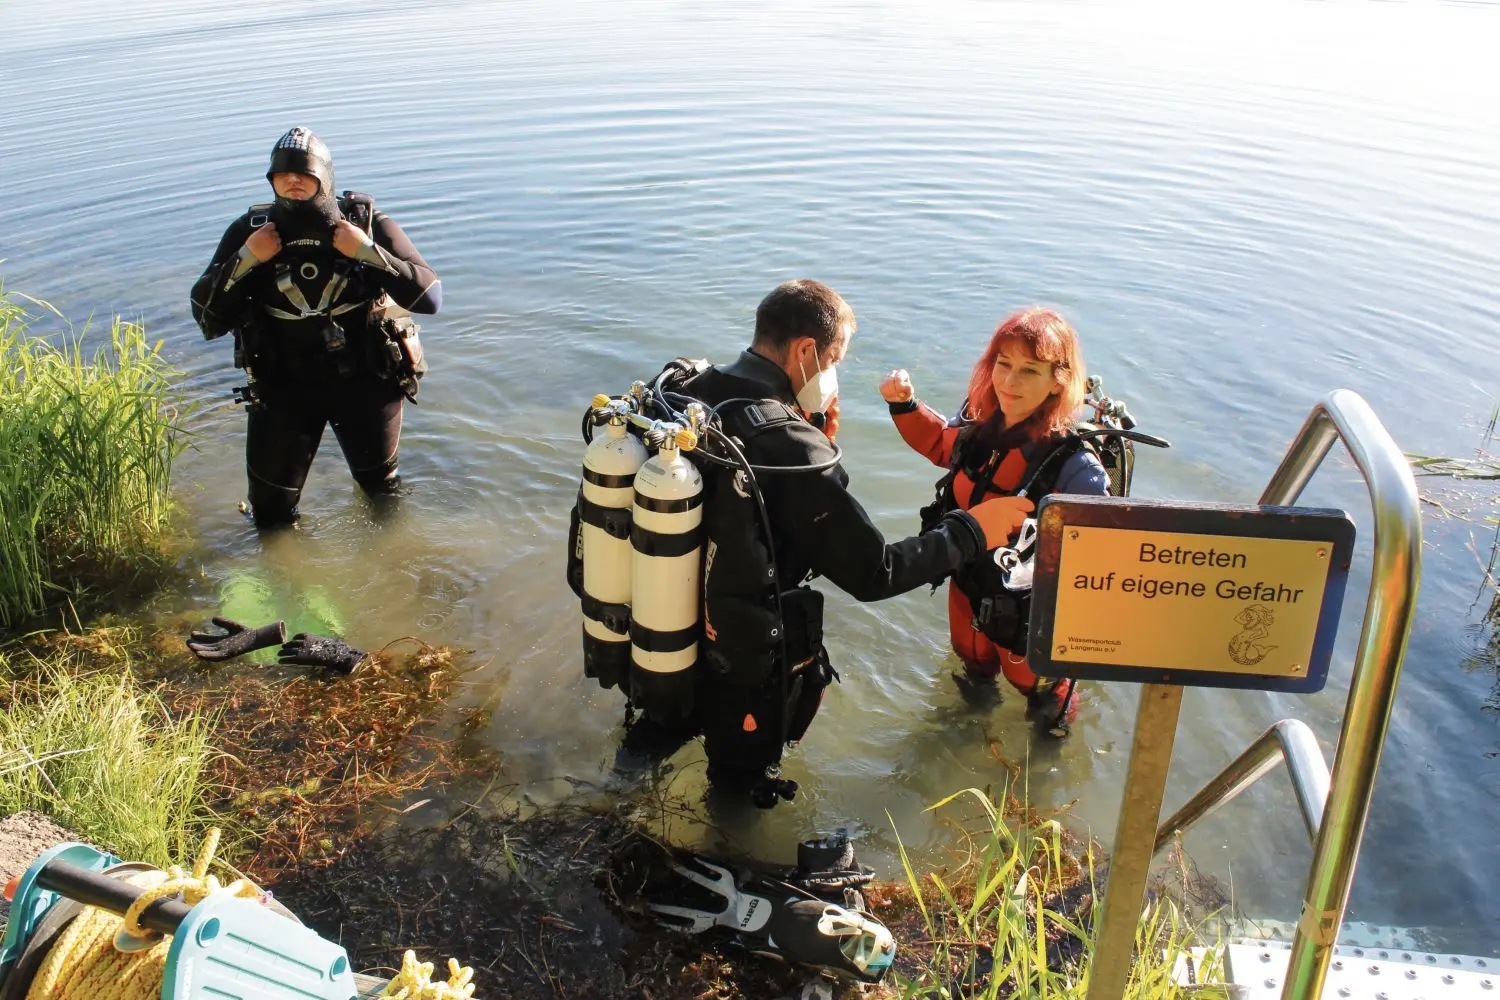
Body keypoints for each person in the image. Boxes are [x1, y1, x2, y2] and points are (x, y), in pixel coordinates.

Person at [603, 279, 1033, 805]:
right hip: (742, 653)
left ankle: (603, 809)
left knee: (654, 735)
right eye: (834, 359)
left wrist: (815, 437)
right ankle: (729, 860)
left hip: (663, 624)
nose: (833, 375)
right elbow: (876, 573)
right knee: (737, 790)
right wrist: (974, 528)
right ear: (807, 351)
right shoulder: (790, 445)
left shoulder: (685, 392)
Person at [190, 127, 441, 528]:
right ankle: (282, 585)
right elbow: (207, 318)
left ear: (324, 178)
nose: (292, 181)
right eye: (282, 175)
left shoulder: (365, 223)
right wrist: (246, 259)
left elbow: (430, 297)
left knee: (383, 496)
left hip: (365, 383)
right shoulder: (251, 231)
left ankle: (392, 574)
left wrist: (367, 252)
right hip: (283, 389)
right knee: (270, 517)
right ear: (271, 180)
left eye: (303, 175)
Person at [879, 307, 1108, 734]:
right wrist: (904, 405)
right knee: (973, 671)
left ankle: (1045, 767)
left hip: (1025, 609)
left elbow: (1098, 561)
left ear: (1058, 381)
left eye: (1029, 370)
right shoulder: (980, 428)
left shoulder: (1074, 466)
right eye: (1003, 364)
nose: (1009, 381)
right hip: (967, 583)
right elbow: (939, 444)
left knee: (1039, 697)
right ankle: (964, 741)